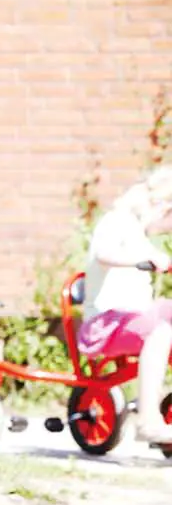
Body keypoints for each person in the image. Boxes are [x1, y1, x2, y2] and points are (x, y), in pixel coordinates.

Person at [79, 166, 172, 447]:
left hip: (130, 321)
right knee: (160, 327)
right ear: (161, 207)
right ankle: (147, 421)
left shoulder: (138, 234)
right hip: (104, 325)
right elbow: (104, 254)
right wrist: (142, 258)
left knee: (165, 317)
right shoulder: (116, 221)